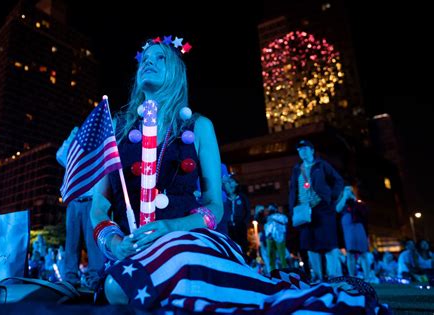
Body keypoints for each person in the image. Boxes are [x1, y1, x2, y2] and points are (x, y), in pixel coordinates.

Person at [89, 35, 388, 313]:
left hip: (187, 239)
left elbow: (214, 206)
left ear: (177, 73)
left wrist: (171, 228)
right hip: (129, 249)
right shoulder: (117, 130)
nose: (149, 62)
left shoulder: (198, 126)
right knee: (119, 288)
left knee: (125, 287)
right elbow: (99, 204)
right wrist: (112, 242)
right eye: (145, 59)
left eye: (160, 58)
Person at [289, 139, 344, 282]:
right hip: (304, 211)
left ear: (312, 150)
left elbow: (338, 180)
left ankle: (333, 276)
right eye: (300, 150)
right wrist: (292, 209)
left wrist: (330, 197)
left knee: (329, 243)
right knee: (309, 244)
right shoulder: (296, 169)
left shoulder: (322, 165)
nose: (303, 152)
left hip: (322, 208)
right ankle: (318, 276)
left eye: (306, 148)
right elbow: (292, 190)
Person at [57, 128, 105, 290]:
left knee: (93, 242)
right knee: (71, 242)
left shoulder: (96, 152)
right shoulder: (73, 153)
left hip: (92, 201)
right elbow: (60, 156)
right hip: (74, 202)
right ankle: (70, 279)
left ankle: (95, 279)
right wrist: (71, 137)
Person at [336, 185, 370, 280]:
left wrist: (353, 199)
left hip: (358, 225)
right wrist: (344, 197)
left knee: (363, 252)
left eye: (349, 190)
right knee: (350, 252)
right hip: (347, 225)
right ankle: (352, 277)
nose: (348, 191)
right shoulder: (341, 199)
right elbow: (338, 209)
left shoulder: (355, 201)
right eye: (346, 189)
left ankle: (367, 276)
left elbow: (362, 211)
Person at [221, 173, 251, 255]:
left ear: (236, 184)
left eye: (232, 181)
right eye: (228, 182)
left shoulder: (242, 197)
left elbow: (248, 211)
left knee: (242, 246)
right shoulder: (224, 198)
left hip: (240, 226)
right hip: (228, 226)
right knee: (231, 246)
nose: (229, 183)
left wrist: (244, 223)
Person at [264, 203, 288, 270]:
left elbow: (285, 222)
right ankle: (273, 271)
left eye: (272, 208)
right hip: (270, 238)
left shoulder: (281, 216)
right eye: (269, 208)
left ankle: (285, 270)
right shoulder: (267, 218)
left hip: (280, 238)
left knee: (282, 256)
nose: (270, 210)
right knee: (271, 255)